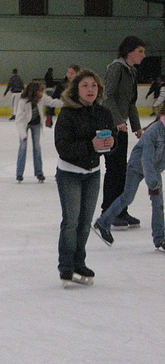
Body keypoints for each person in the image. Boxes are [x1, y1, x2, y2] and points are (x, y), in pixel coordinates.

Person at [54, 70, 116, 286]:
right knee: (71, 221)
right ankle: (66, 266)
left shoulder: (103, 113)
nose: (90, 89)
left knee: (85, 222)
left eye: (94, 86)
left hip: (92, 174)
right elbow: (62, 147)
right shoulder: (67, 114)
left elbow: (111, 139)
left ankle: (79, 262)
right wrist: (90, 145)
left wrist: (110, 145)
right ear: (76, 90)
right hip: (69, 172)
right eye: (85, 86)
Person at [94, 104, 165, 251]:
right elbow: (146, 159)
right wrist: (153, 183)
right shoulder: (154, 132)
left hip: (154, 169)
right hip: (137, 166)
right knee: (127, 197)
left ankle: (160, 239)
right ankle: (103, 222)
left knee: (158, 204)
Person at [101, 35, 145, 228]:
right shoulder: (116, 68)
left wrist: (137, 127)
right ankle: (108, 212)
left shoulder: (131, 71)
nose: (144, 55)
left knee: (122, 172)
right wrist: (118, 121)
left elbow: (131, 103)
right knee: (114, 171)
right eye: (140, 51)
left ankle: (120, 210)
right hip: (111, 127)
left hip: (122, 128)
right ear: (129, 52)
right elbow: (107, 97)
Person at [15, 81, 62, 182]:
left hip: (36, 124)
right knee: (23, 148)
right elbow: (18, 120)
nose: (42, 93)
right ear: (34, 92)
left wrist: (66, 102)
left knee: (37, 147)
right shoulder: (23, 101)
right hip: (25, 124)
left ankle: (39, 173)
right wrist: (23, 135)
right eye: (40, 91)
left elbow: (53, 102)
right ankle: (19, 173)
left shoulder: (42, 98)